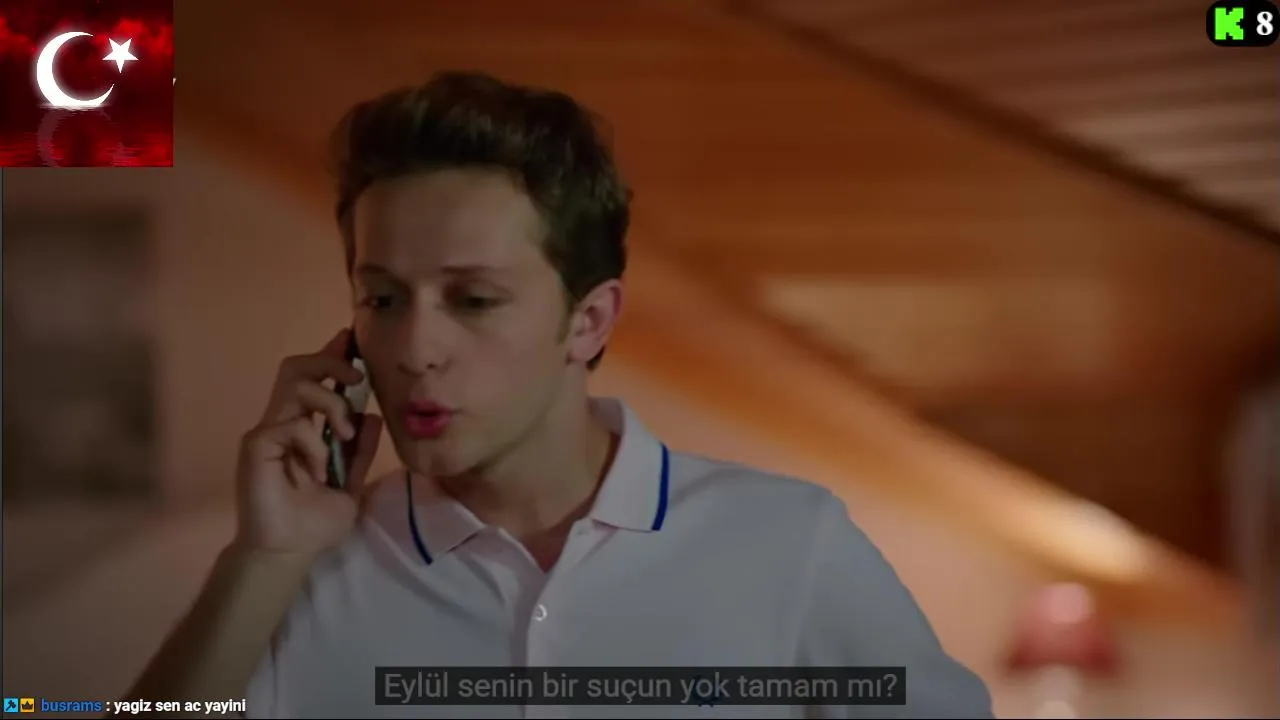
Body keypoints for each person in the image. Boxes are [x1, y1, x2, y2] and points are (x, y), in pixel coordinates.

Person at [126, 71, 993, 719]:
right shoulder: (305, 576)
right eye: (382, 300)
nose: (415, 350)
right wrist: (264, 559)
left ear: (588, 321)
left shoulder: (788, 543)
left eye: (473, 300)